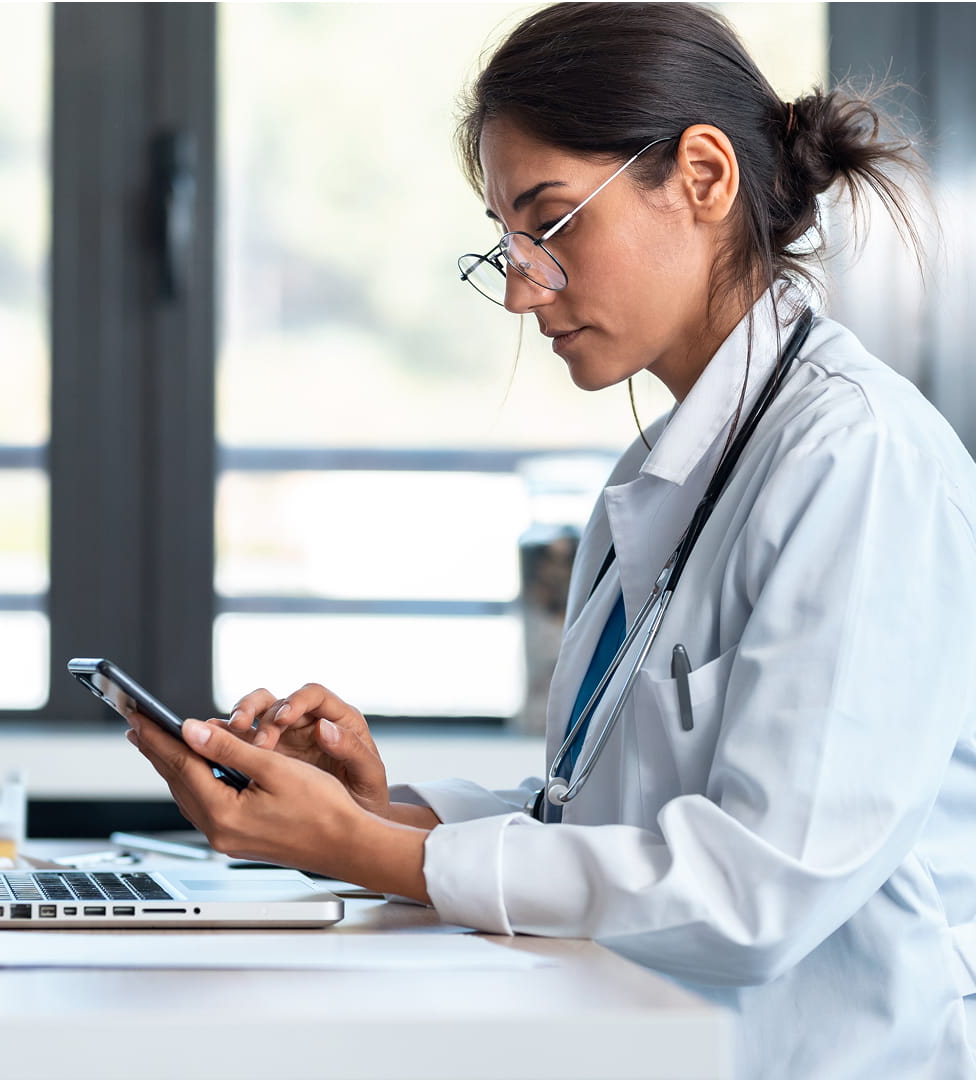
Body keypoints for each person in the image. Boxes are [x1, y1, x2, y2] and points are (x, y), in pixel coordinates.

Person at [126, 4, 976, 1076]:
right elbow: (601, 820)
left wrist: (383, 855)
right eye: (508, 244)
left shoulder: (862, 462)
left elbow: (755, 893)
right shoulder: (655, 478)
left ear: (704, 178)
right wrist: (379, 807)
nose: (524, 290)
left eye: (554, 224)